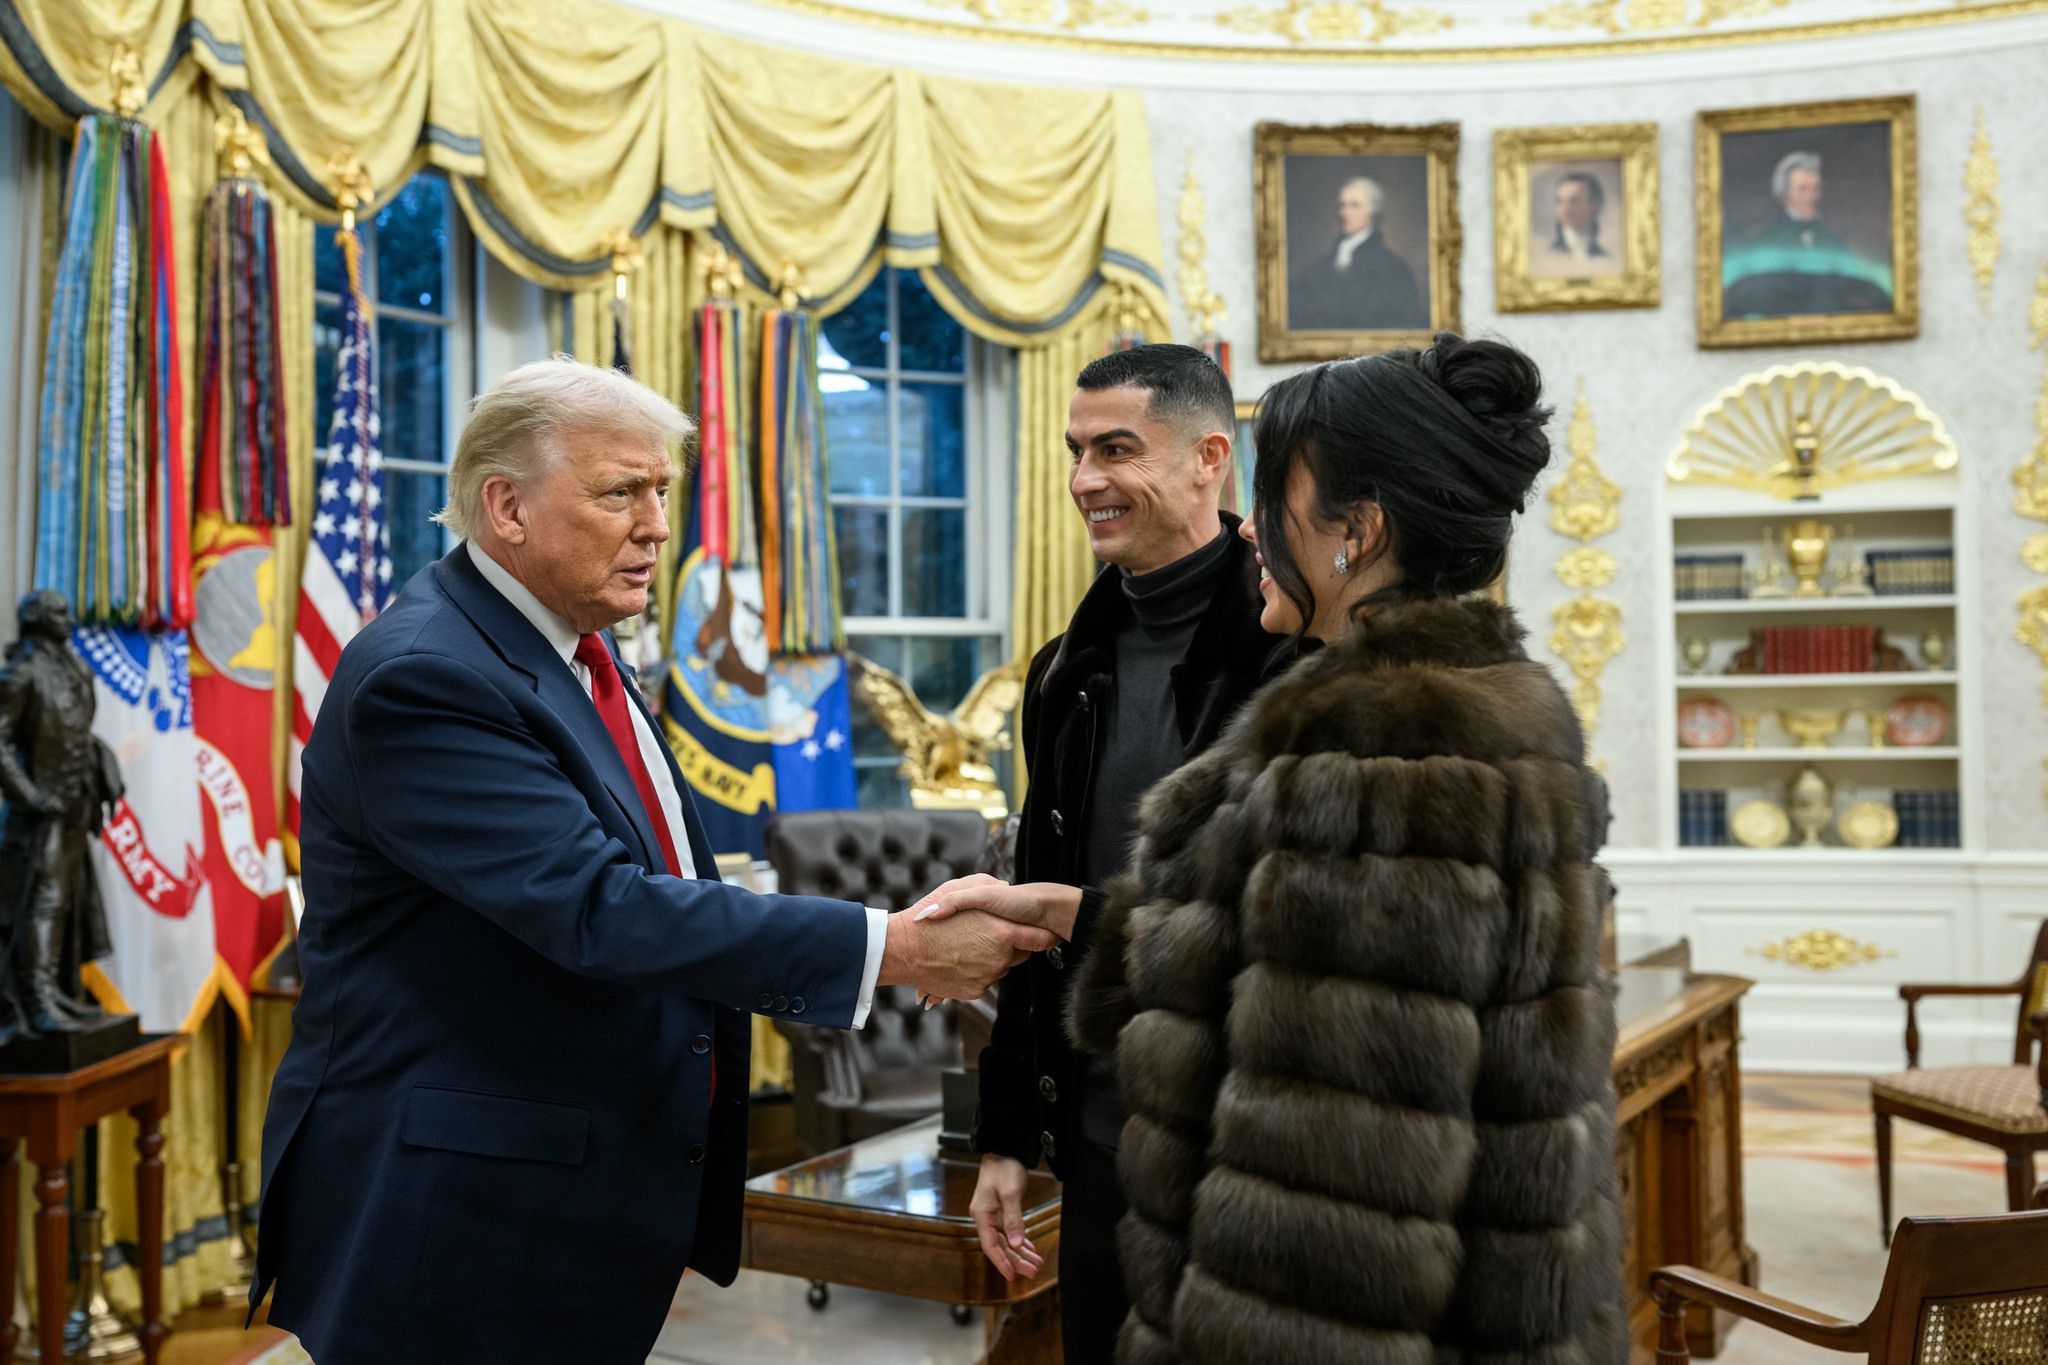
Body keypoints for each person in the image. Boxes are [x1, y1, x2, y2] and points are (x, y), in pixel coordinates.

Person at [251, 358, 1053, 1364]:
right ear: (506, 507)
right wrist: (888, 948)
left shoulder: (571, 643)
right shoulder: (427, 675)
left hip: (566, 1191)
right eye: (619, 492)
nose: (657, 526)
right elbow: (599, 909)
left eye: (662, 492)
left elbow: (661, 878)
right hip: (459, 1214)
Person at [937, 334, 1625, 1363]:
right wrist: (1076, 916)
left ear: (1355, 531)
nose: (1251, 527)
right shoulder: (1493, 703)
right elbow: (1283, 956)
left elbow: (1332, 1162)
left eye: (1274, 496)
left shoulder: (1366, 750)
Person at [955, 344, 1291, 1364]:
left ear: (1208, 460)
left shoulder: (1296, 649)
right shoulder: (1066, 668)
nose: (1084, 480)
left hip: (1259, 1145)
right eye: (1073, 452)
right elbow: (1029, 907)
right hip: (1100, 1138)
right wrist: (1007, 1134)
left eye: (1115, 449)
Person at [1725, 150, 1889, 317]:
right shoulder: (1769, 241)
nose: (1812, 197)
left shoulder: (1832, 241)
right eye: (1803, 189)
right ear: (1785, 195)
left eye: (1815, 189)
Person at [1289, 176, 1427, 332]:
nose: (1344, 212)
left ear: (1373, 213)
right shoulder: (1321, 265)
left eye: (1354, 205)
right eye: (1342, 205)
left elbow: (1402, 325)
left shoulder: (1394, 268)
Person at [1535, 169, 1618, 275]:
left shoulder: (1607, 260)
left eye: (1574, 201)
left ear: (1594, 205)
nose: (1565, 209)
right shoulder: (1545, 257)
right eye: (1560, 201)